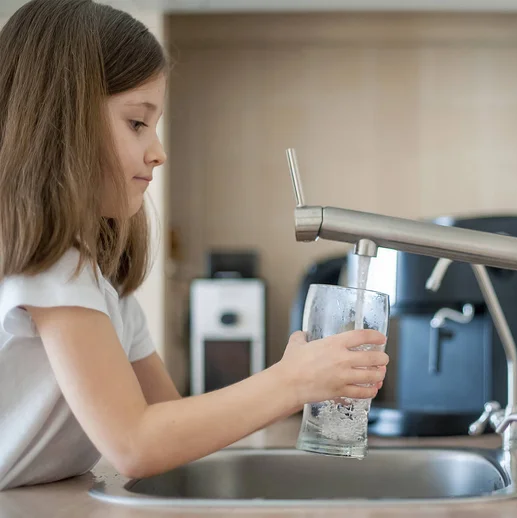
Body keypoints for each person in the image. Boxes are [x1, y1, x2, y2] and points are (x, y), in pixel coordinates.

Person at [0, 0, 389, 491]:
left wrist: (296, 381)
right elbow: (135, 445)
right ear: (61, 122)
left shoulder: (104, 287)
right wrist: (292, 381)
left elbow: (168, 422)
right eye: (137, 123)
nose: (158, 151)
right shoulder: (54, 264)